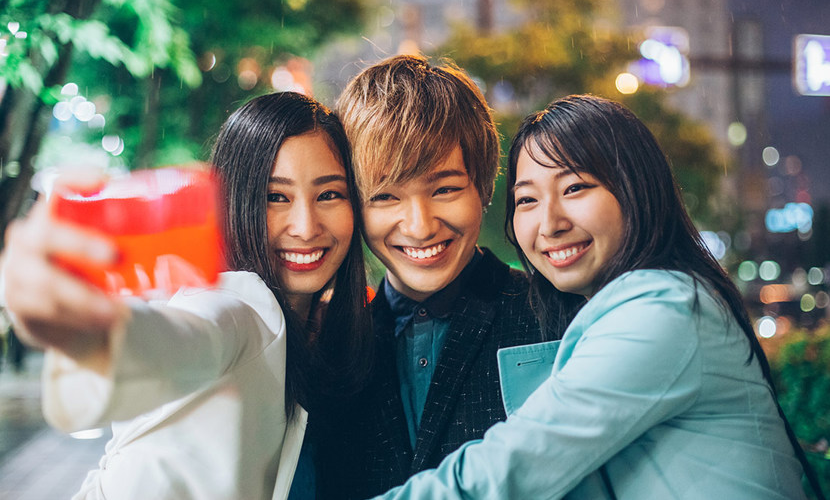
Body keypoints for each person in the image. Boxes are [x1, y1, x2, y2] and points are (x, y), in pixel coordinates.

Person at [368, 94, 816, 499]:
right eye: (527, 200)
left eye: (575, 188)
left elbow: (511, 467)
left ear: (635, 189)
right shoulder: (613, 309)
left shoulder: (664, 311)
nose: (550, 223)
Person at [1, 91, 372, 500]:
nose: (305, 226)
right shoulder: (245, 307)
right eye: (275, 197)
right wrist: (92, 332)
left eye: (329, 194)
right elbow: (189, 334)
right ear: (232, 204)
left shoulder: (322, 332)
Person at [313, 55, 580, 499]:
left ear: (484, 186)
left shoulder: (559, 312)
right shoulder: (332, 348)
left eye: (444, 189)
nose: (419, 225)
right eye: (384, 196)